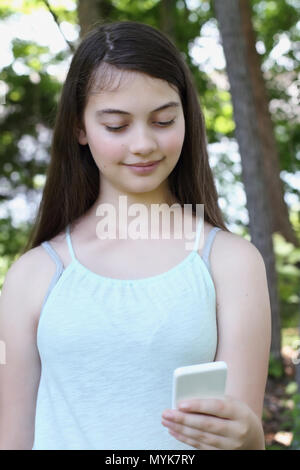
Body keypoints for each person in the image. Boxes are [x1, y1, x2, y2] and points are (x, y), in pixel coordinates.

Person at [0, 20, 271, 450]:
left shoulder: (231, 263)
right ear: (79, 128)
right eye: (117, 125)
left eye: (163, 120)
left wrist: (250, 437)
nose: (143, 143)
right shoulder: (33, 275)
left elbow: (240, 431)